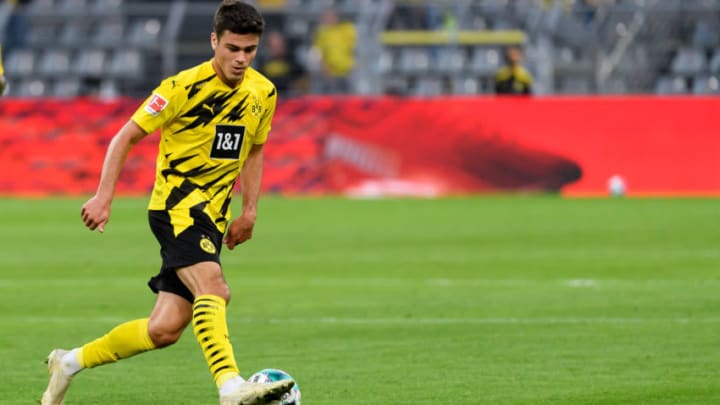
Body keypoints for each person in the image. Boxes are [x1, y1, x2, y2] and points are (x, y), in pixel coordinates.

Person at [41, 2, 294, 405]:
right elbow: (124, 137)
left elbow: (255, 149)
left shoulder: (263, 92)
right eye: (232, 48)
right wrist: (104, 197)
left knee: (165, 329)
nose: (241, 58)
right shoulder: (179, 88)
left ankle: (68, 362)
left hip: (212, 215)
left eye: (250, 50)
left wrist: (249, 211)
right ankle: (231, 387)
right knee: (215, 288)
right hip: (175, 209)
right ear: (214, 41)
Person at [311, 8, 356, 94]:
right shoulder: (321, 33)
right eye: (326, 17)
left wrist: (353, 65)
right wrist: (323, 67)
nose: (328, 19)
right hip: (331, 74)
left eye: (330, 16)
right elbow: (318, 53)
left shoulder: (346, 29)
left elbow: (354, 48)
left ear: (336, 17)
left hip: (348, 72)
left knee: (349, 98)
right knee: (333, 98)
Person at [258, 31, 305, 97]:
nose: (277, 48)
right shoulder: (263, 64)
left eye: (279, 45)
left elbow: (301, 78)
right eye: (274, 46)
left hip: (289, 97)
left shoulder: (292, 62)